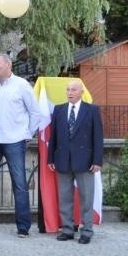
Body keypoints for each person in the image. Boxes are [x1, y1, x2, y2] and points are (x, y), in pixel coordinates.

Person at [0, 54, 45, 237]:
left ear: (8, 65)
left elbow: (35, 112)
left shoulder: (22, 85)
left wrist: (27, 134)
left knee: (20, 184)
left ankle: (23, 226)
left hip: (15, 140)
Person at [48, 80, 103, 245]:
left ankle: (86, 230)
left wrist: (97, 160)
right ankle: (67, 229)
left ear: (81, 92)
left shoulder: (92, 110)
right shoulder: (59, 110)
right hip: (63, 159)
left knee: (86, 197)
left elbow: (98, 137)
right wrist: (51, 158)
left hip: (85, 161)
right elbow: (54, 137)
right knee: (65, 196)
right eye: (68, 90)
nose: (69, 92)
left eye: (73, 90)